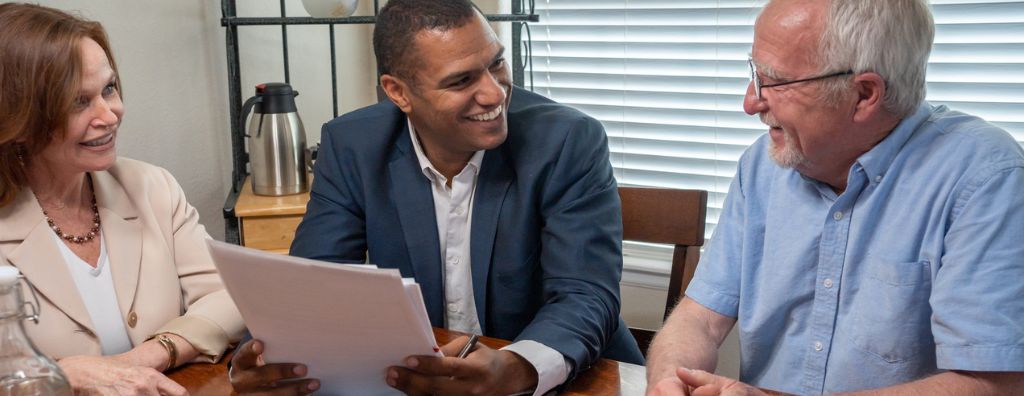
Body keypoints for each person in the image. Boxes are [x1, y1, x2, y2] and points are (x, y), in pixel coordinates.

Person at [228, 0, 643, 394]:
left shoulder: (568, 141)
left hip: (565, 381)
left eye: (496, 63)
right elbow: (312, 286)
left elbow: (586, 296)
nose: (494, 94)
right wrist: (262, 361)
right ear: (398, 92)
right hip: (417, 381)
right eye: (461, 80)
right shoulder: (353, 144)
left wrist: (515, 367)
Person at [644, 0, 1024, 395]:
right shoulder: (762, 165)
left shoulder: (984, 179)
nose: (750, 102)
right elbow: (700, 319)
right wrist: (670, 379)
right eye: (755, 74)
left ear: (863, 93)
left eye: (773, 81)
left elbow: (993, 384)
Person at [0, 3, 246, 395]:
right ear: (18, 119)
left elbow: (228, 297)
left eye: (109, 89)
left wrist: (150, 355)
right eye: (79, 102)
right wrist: (64, 374)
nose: (111, 114)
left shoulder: (152, 186)